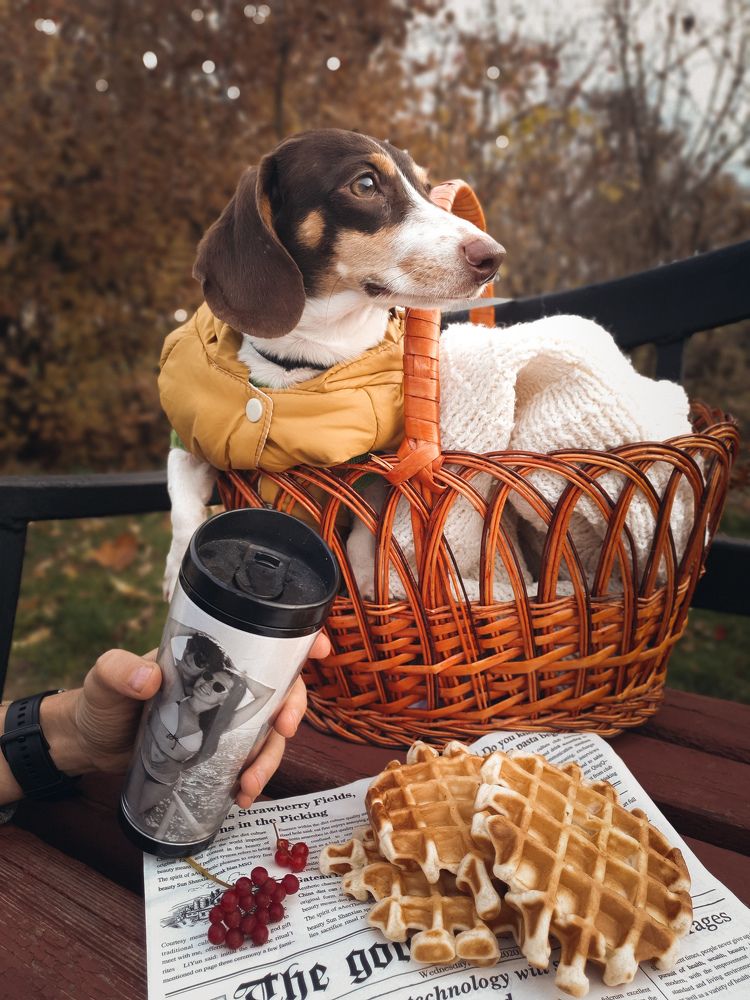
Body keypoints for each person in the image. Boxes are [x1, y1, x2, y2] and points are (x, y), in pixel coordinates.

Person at [0, 633, 329, 817]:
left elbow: (266, 694)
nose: (207, 685)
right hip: (137, 768)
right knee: (121, 819)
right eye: (208, 677)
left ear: (220, 702)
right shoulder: (170, 695)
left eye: (218, 688)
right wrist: (221, 659)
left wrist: (240, 674)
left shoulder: (218, 726)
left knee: (135, 821)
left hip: (161, 782)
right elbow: (177, 639)